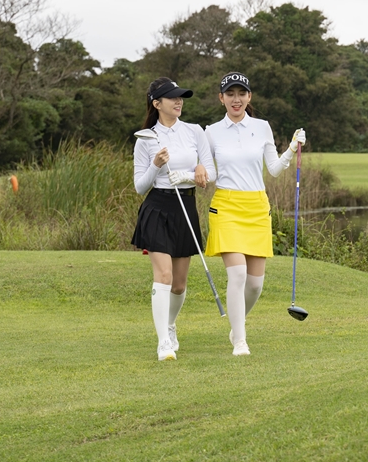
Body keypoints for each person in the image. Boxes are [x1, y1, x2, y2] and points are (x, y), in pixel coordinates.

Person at [204, 71, 305, 356]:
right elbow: (209, 171)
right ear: (221, 98)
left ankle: (236, 326)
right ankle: (240, 340)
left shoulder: (262, 127)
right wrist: (194, 173)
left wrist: (291, 149)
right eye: (230, 94)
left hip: (257, 207)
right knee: (237, 275)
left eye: (241, 94)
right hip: (226, 206)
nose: (236, 99)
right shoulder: (211, 132)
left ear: (249, 97)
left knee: (255, 284)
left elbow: (273, 169)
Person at [131, 77, 214, 361]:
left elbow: (210, 173)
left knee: (179, 284)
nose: (179, 101)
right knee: (164, 276)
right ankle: (163, 342)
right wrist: (156, 165)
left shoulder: (194, 131)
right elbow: (140, 186)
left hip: (185, 207)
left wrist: (195, 172)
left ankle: (169, 324)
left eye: (180, 97)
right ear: (157, 103)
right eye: (172, 97)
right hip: (157, 207)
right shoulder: (146, 138)